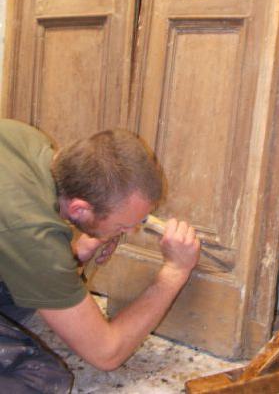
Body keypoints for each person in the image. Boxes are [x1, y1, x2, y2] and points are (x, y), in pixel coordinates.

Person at [0, 118, 200, 393]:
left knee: (24, 293)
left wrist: (77, 252)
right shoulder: (32, 234)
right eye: (122, 226)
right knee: (39, 380)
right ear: (80, 209)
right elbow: (106, 352)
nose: (129, 231)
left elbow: (21, 248)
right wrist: (174, 272)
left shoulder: (24, 140)